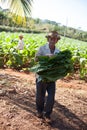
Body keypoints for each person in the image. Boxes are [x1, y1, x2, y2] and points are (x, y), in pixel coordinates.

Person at [35, 31, 61, 121]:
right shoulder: (42, 48)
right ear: (48, 39)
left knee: (51, 97)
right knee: (40, 96)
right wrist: (46, 57)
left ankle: (47, 115)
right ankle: (39, 111)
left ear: (57, 40)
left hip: (52, 78)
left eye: (55, 39)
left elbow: (59, 64)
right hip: (41, 76)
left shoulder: (58, 52)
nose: (53, 40)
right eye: (51, 38)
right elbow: (36, 59)